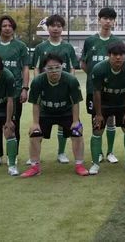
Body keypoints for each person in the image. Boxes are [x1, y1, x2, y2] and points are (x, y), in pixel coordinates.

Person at [20, 54, 89, 177]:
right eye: (50, 68)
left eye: (57, 67)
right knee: (34, 134)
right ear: (44, 69)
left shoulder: (71, 80)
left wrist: (75, 122)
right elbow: (36, 104)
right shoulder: (37, 81)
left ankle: (79, 165)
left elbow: (75, 103)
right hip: (46, 113)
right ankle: (35, 167)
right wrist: (35, 123)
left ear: (62, 67)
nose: (54, 71)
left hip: (66, 112)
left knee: (77, 132)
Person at [30, 14, 79, 164]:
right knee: (39, 123)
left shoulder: (68, 47)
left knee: (63, 124)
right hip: (46, 90)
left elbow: (72, 68)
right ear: (48, 27)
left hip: (63, 90)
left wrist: (69, 85)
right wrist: (38, 84)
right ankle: (35, 157)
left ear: (62, 28)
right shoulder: (41, 47)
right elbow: (36, 68)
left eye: (59, 26)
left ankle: (61, 153)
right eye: (52, 26)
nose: (56, 29)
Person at [0, 15, 29, 167]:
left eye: (10, 26)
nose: (7, 28)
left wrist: (25, 88)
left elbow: (25, 68)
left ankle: (12, 155)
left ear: (13, 28)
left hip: (14, 92)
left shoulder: (21, 46)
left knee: (13, 124)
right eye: (4, 26)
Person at [80, 7, 122, 164]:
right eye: (105, 18)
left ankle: (110, 152)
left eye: (111, 19)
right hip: (94, 89)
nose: (108, 21)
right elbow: (83, 64)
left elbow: (121, 64)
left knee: (110, 119)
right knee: (96, 120)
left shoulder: (117, 42)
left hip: (112, 89)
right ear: (99, 20)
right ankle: (97, 153)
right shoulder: (90, 41)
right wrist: (94, 77)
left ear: (114, 21)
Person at [89, 42, 125, 175]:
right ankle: (95, 164)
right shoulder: (99, 68)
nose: (118, 57)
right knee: (97, 129)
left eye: (121, 54)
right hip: (104, 104)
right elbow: (96, 92)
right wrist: (99, 114)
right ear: (109, 55)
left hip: (122, 103)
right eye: (115, 54)